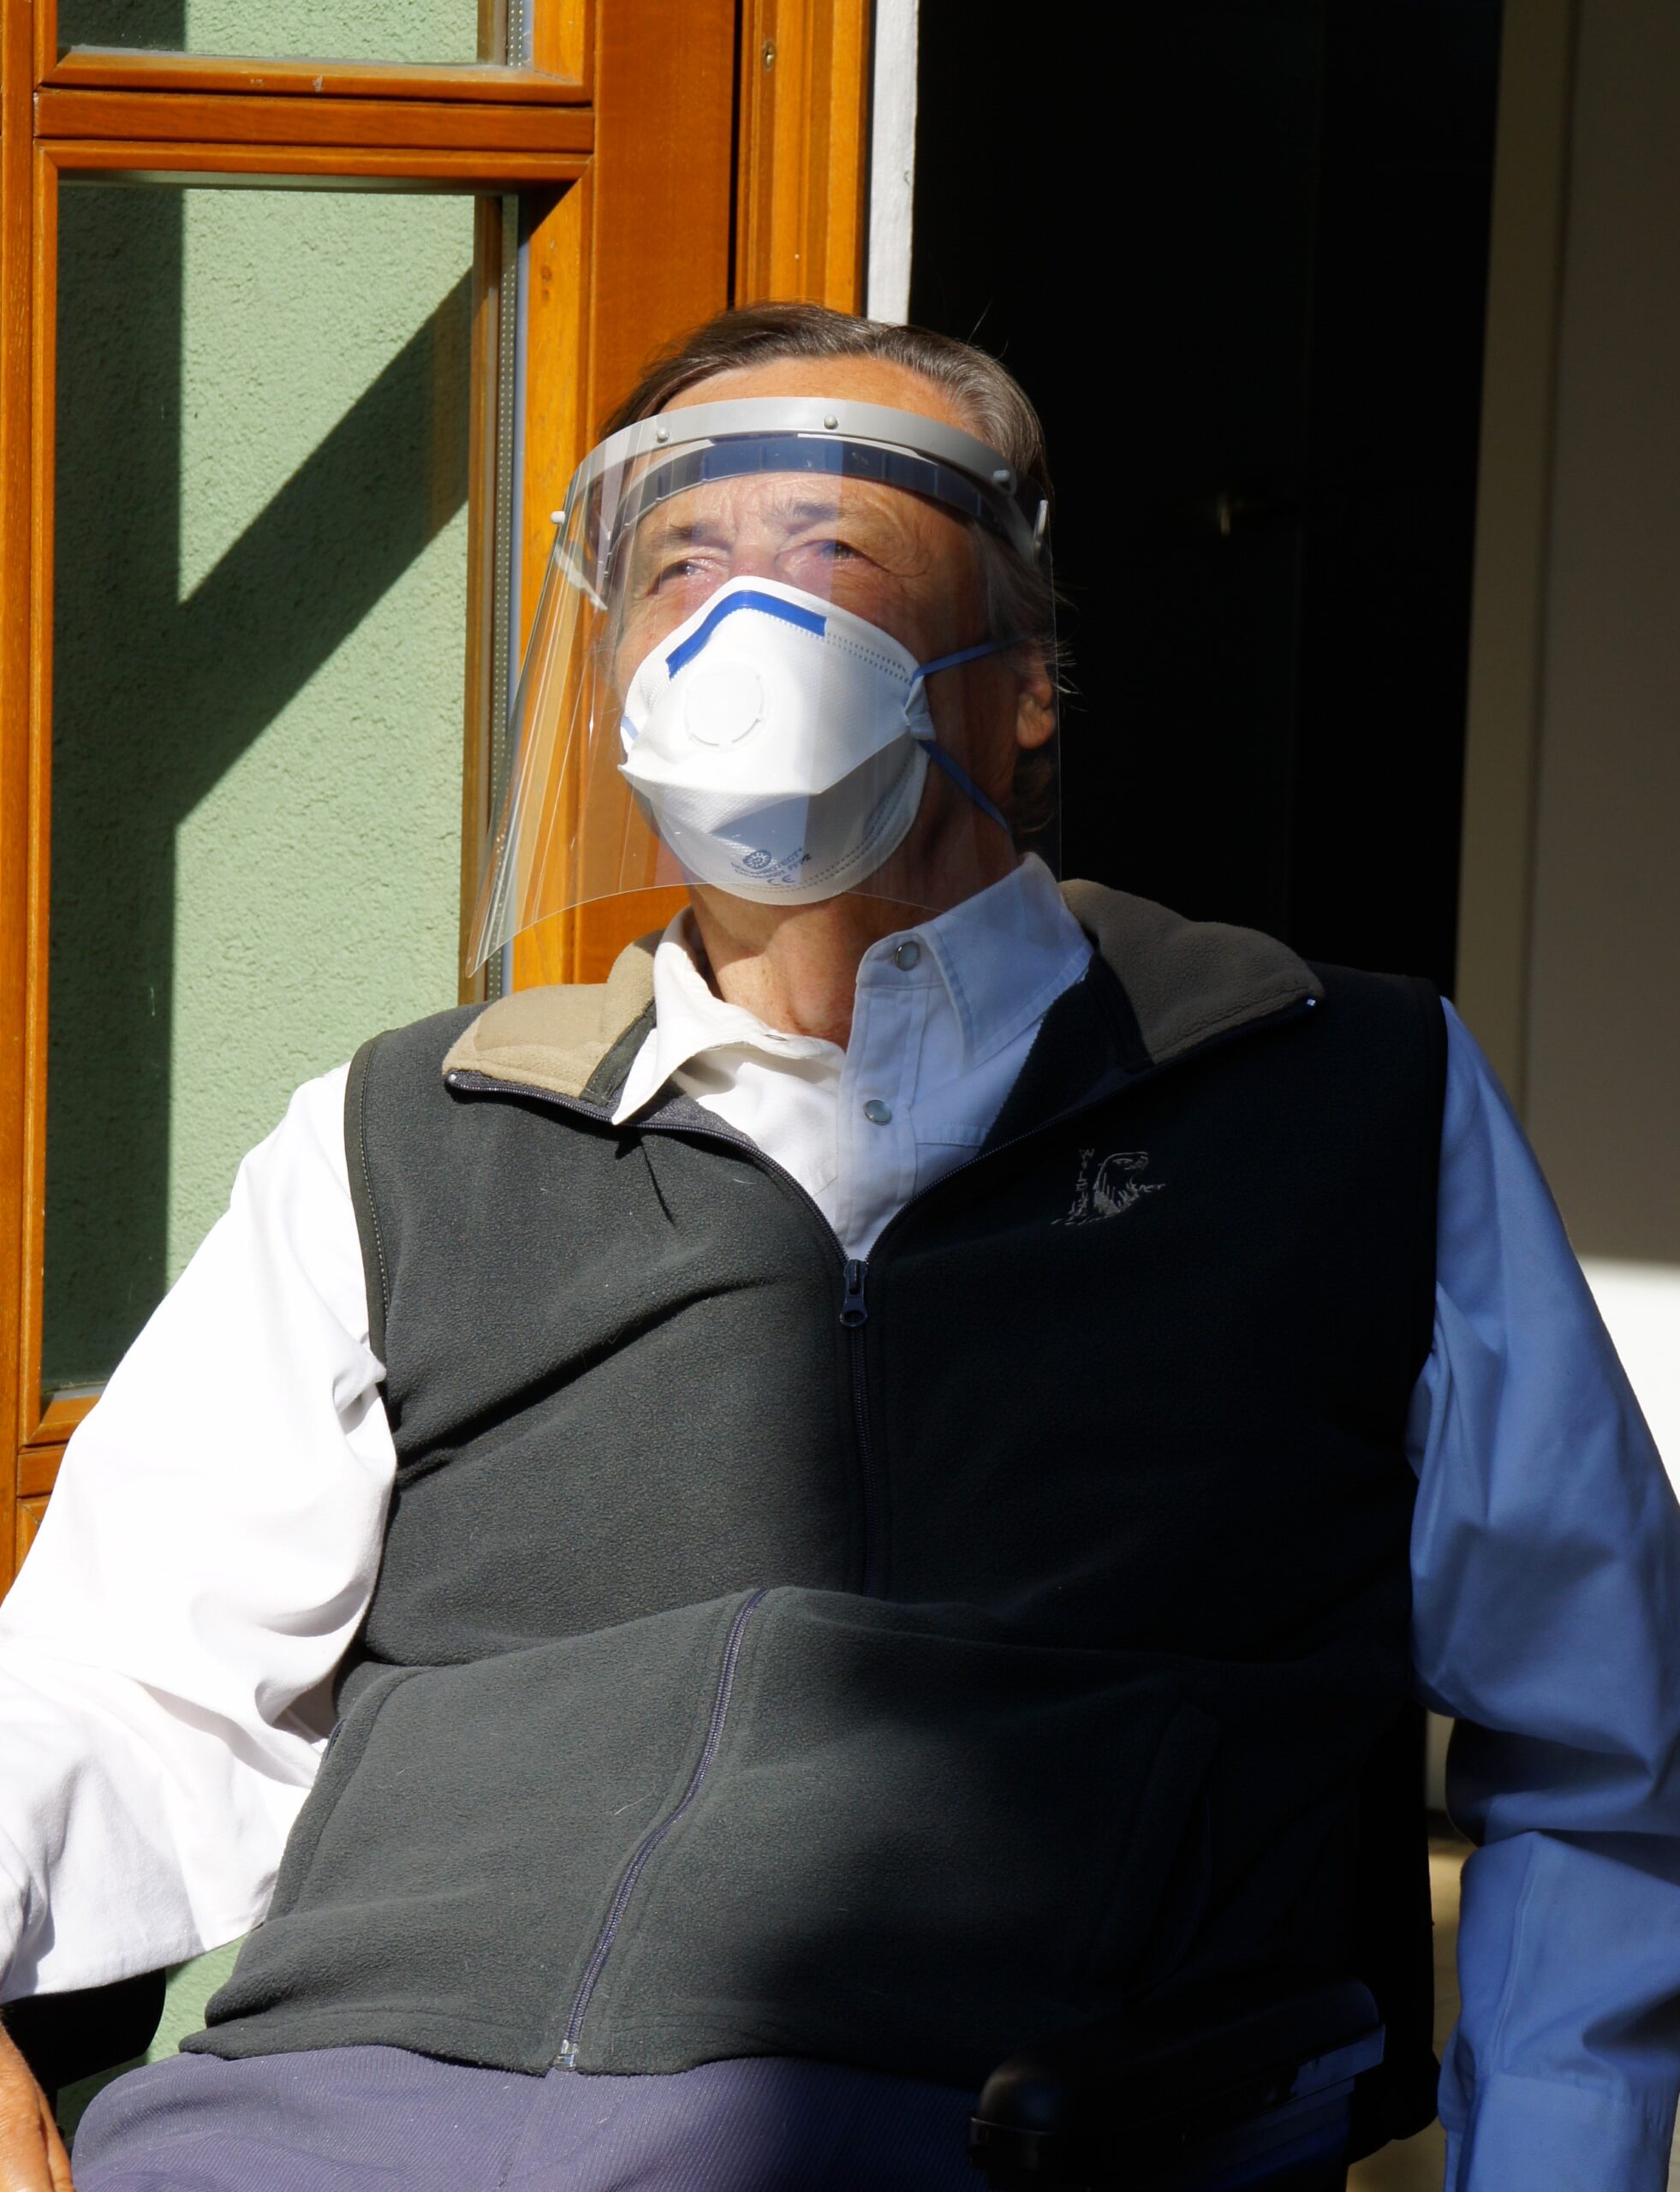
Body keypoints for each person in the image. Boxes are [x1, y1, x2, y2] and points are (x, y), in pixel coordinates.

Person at [0, 304, 1677, 2192]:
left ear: (1026, 678)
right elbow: (126, 1682)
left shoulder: (1335, 1094)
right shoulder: (406, 1134)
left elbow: (1602, 1756)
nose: (740, 622)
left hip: (986, 2128)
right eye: (678, 567)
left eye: (830, 549)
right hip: (319, 2117)